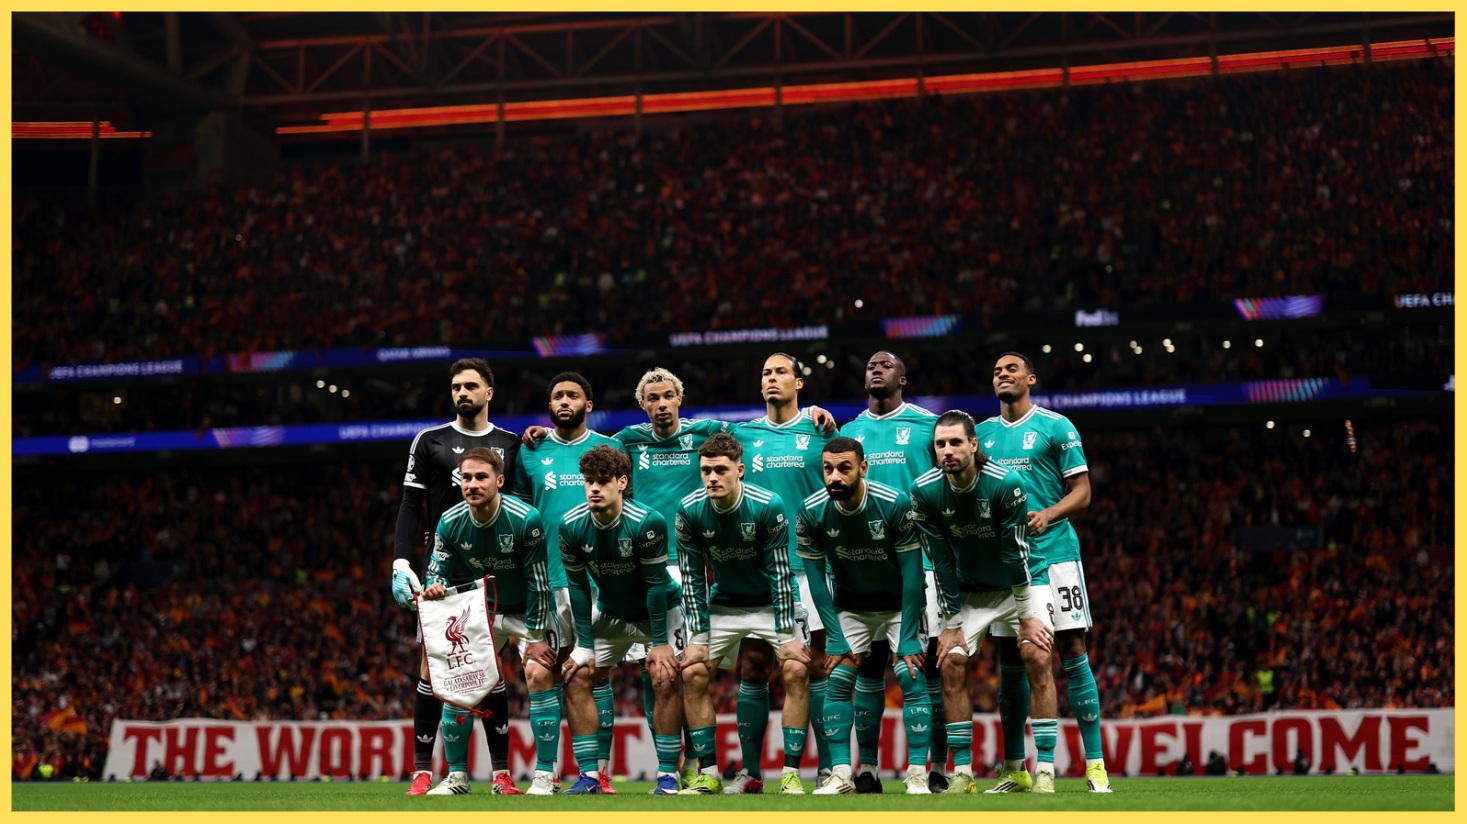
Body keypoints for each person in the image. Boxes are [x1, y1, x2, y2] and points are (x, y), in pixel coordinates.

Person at [976, 352, 1111, 793]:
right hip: (1007, 563)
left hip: (1054, 555)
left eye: (1011, 369)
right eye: (996, 370)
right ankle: (1016, 768)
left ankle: (1095, 766)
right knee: (1012, 658)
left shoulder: (1056, 426)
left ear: (1030, 379)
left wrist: (1049, 513)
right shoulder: (981, 436)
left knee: (1072, 648)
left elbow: (1083, 492)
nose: (1003, 374)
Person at [391, 358, 525, 796]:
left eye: (471, 386)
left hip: (498, 572)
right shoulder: (428, 441)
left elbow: (523, 506)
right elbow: (411, 506)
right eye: (455, 387)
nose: (462, 393)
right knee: (435, 667)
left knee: (489, 668)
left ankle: (500, 774)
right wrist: (400, 562)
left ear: (489, 392)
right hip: (443, 572)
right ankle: (424, 772)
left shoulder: (511, 442)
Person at [910, 411, 1059, 794]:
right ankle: (963, 771)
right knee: (952, 660)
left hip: (1021, 583)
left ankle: (1044, 768)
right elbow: (940, 560)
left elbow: (1016, 554)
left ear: (974, 445)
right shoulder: (924, 491)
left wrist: (1027, 616)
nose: (947, 450)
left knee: (1037, 655)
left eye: (955, 442)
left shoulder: (1005, 483)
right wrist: (952, 622)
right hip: (970, 588)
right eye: (940, 444)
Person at [674, 434, 811, 795]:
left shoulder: (768, 505)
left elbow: (781, 573)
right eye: (706, 471)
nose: (712, 478)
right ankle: (709, 773)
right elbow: (691, 581)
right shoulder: (689, 510)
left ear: (740, 470)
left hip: (772, 602)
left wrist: (786, 636)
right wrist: (698, 639)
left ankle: (791, 774)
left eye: (721, 470)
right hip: (726, 603)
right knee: (693, 672)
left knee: (796, 669)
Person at [510, 371, 626, 793]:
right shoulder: (531, 451)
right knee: (539, 673)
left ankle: (598, 771)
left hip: (596, 582)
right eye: (557, 395)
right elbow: (519, 514)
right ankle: (545, 773)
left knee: (593, 675)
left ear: (587, 405)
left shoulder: (612, 448)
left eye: (572, 395)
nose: (563, 401)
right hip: (544, 582)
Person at [797, 437, 932, 795]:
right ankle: (841, 773)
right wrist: (835, 635)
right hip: (851, 606)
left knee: (910, 671)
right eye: (828, 469)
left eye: (843, 468)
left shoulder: (894, 503)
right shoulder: (811, 511)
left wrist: (905, 635)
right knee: (838, 676)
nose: (834, 477)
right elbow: (816, 581)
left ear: (863, 468)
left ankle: (917, 772)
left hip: (898, 603)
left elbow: (914, 574)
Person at [417, 448, 554, 796]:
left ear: (500, 481)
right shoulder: (449, 520)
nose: (473, 484)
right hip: (484, 609)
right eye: (466, 477)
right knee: (459, 683)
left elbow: (539, 582)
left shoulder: (526, 518)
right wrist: (434, 585)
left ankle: (544, 776)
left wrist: (537, 637)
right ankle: (458, 778)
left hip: (527, 610)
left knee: (538, 674)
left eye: (481, 477)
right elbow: (437, 570)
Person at [728, 353, 835, 792]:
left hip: (810, 570)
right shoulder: (741, 435)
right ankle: (751, 773)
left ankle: (830, 767)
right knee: (753, 667)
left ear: (799, 384)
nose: (772, 378)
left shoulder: (819, 431)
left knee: (817, 668)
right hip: (756, 574)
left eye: (780, 372)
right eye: (766, 372)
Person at [836, 351, 940, 792]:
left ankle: (932, 769)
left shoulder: (929, 426)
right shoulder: (848, 432)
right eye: (870, 365)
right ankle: (869, 770)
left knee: (925, 666)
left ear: (904, 378)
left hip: (922, 562)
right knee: (869, 666)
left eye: (887, 364)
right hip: (865, 567)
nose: (876, 369)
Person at [559, 445, 687, 795]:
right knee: (577, 675)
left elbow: (656, 586)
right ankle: (590, 775)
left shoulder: (647, 523)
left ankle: (668, 776)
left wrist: (659, 643)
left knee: (663, 678)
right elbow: (579, 588)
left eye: (602, 481)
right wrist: (584, 645)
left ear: (622, 482)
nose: (594, 489)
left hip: (658, 610)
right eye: (589, 482)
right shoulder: (571, 525)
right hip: (612, 612)